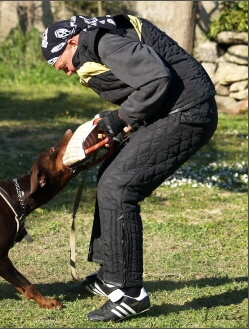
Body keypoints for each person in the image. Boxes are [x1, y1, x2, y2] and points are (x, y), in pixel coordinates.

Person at [42, 14, 218, 322]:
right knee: (109, 175)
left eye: (63, 64)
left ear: (72, 42)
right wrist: (117, 125)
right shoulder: (94, 42)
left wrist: (120, 119)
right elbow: (140, 85)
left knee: (118, 188)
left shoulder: (102, 41)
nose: (67, 73)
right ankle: (110, 274)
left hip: (188, 112)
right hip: (170, 111)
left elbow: (156, 79)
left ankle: (130, 294)